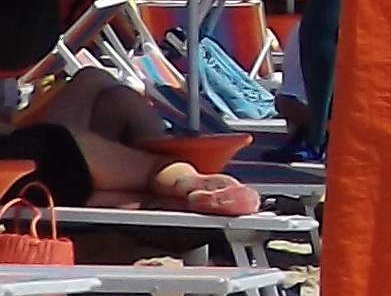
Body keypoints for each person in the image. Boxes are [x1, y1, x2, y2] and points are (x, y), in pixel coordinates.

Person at [0, 60, 258, 219]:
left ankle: (170, 194)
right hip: (34, 167)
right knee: (85, 91)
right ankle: (186, 178)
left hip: (39, 182)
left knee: (113, 97)